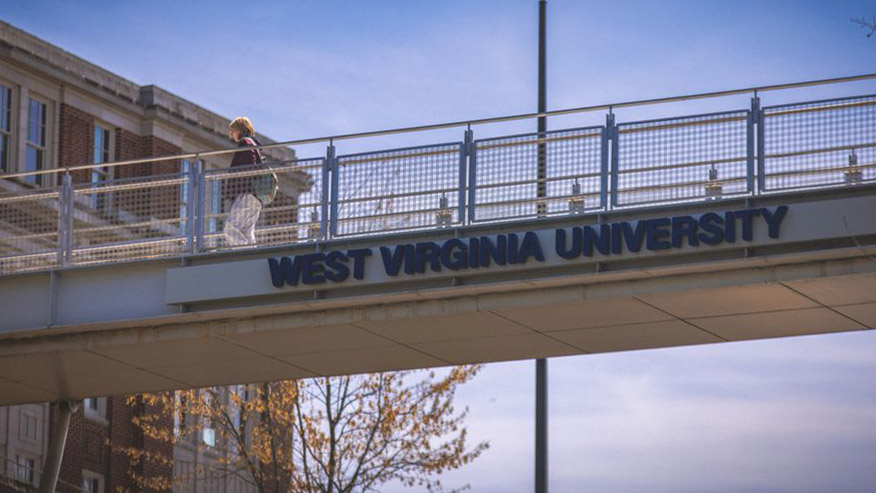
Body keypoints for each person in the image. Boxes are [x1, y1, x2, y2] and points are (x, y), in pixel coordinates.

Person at [224, 116, 264, 246]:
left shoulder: (245, 143)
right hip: (256, 196)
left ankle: (242, 255)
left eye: (233, 131)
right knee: (247, 231)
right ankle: (252, 257)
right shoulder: (255, 145)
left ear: (239, 129)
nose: (231, 134)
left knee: (230, 228)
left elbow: (249, 163)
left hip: (246, 192)